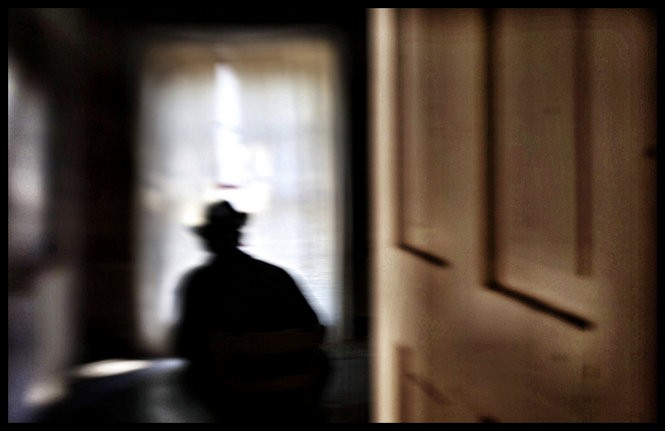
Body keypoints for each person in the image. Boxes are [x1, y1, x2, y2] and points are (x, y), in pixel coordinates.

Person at [173, 200, 329, 421]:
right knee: (321, 360)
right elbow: (311, 326)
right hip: (289, 384)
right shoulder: (277, 276)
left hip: (231, 388)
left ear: (207, 241)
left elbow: (185, 345)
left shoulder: (197, 283)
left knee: (191, 373)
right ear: (239, 236)